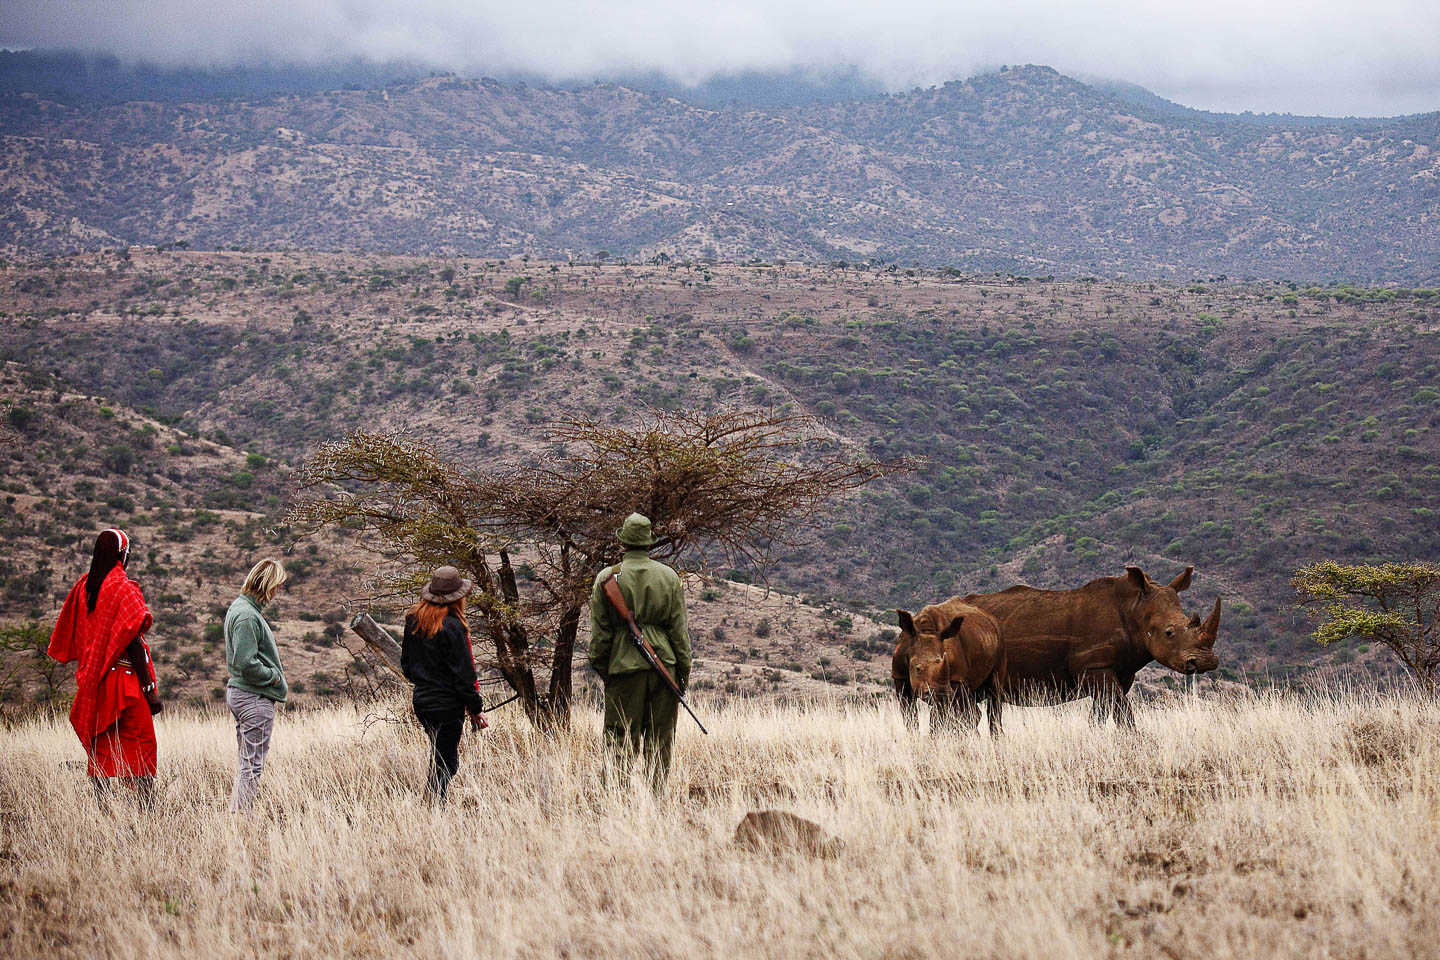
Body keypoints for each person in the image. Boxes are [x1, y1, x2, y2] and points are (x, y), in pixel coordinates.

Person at [47, 528, 163, 804]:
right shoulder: (123, 588)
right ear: (122, 555)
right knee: (142, 743)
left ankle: (103, 809)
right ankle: (146, 809)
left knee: (101, 745)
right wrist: (149, 690)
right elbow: (132, 639)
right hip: (125, 681)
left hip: (94, 681)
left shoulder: (84, 587)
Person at [588, 513, 692, 790]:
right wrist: (682, 673)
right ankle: (655, 802)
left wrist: (606, 671)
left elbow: (600, 636)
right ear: (649, 543)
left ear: (623, 542)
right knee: (661, 739)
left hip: (623, 668)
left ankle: (617, 801)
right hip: (665, 667)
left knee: (619, 735)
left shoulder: (606, 577)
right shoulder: (669, 577)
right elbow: (679, 633)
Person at [401, 566, 487, 803]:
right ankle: (433, 809)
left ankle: (433, 805)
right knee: (448, 762)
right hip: (447, 706)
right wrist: (476, 708)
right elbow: (464, 675)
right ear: (458, 597)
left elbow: (406, 666)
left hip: (422, 703)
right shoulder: (453, 627)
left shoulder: (413, 620)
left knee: (440, 756)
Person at [224, 558, 289, 812]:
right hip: (253, 696)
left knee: (247, 761)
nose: (278, 592)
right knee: (252, 764)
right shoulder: (247, 616)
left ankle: (239, 815)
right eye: (277, 585)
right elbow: (245, 663)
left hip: (242, 694)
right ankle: (241, 818)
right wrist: (272, 676)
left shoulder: (241, 608)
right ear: (267, 584)